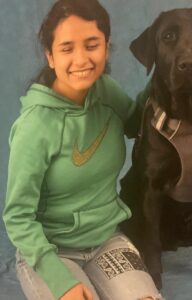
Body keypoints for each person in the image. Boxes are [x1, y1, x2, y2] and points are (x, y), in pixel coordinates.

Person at [2, 0, 161, 299]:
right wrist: (59, 280)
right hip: (51, 251)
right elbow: (18, 216)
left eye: (92, 45)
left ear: (106, 47)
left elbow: (136, 124)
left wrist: (162, 78)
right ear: (50, 56)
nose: (81, 59)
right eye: (66, 48)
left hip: (107, 239)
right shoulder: (35, 126)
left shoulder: (106, 90)